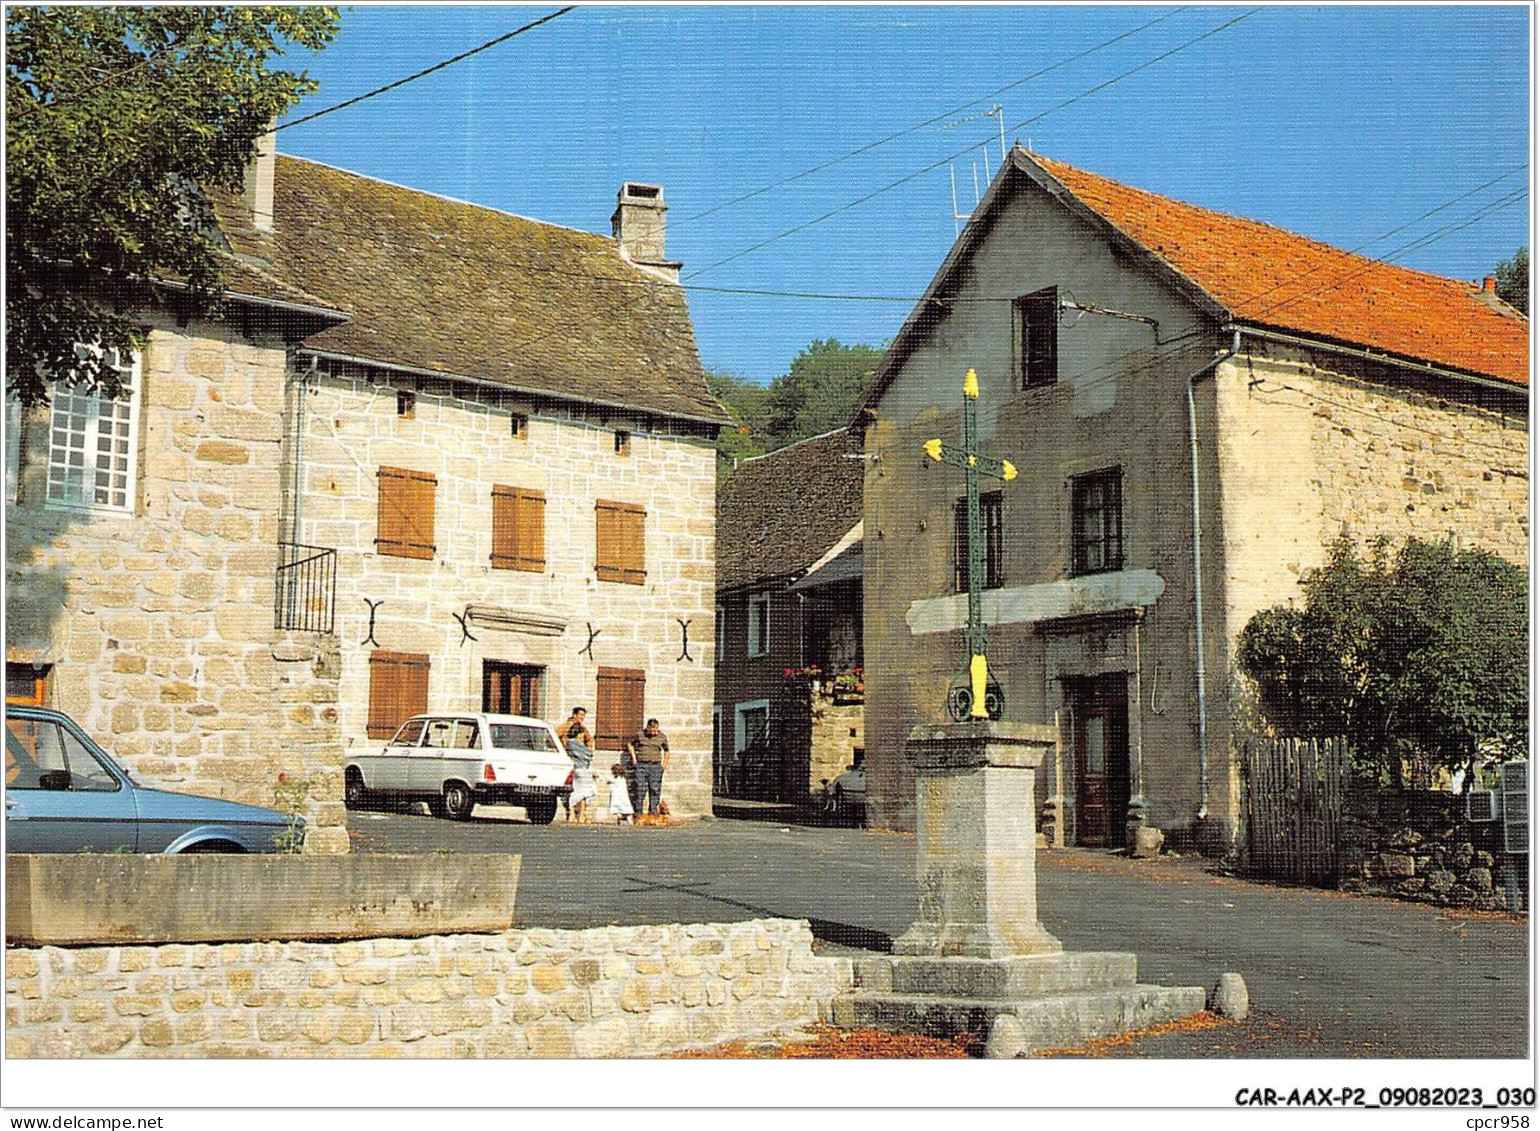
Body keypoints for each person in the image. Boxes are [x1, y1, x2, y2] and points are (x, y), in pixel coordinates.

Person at [624, 717, 669, 817]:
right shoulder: (640, 735)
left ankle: (652, 814)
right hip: (641, 766)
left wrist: (664, 765)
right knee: (640, 789)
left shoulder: (662, 737)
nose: (654, 733)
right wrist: (634, 759)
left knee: (655, 790)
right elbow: (630, 744)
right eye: (652, 731)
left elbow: (666, 750)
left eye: (655, 730)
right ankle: (638, 814)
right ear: (647, 728)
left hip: (656, 766)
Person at [560, 707, 596, 824]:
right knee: (573, 789)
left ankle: (580, 813)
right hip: (572, 763)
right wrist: (564, 748)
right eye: (580, 715)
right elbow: (556, 736)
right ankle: (572, 813)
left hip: (581, 762)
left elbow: (590, 740)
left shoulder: (583, 728)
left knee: (581, 789)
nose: (582, 718)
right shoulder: (567, 725)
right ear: (574, 715)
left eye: (583, 716)